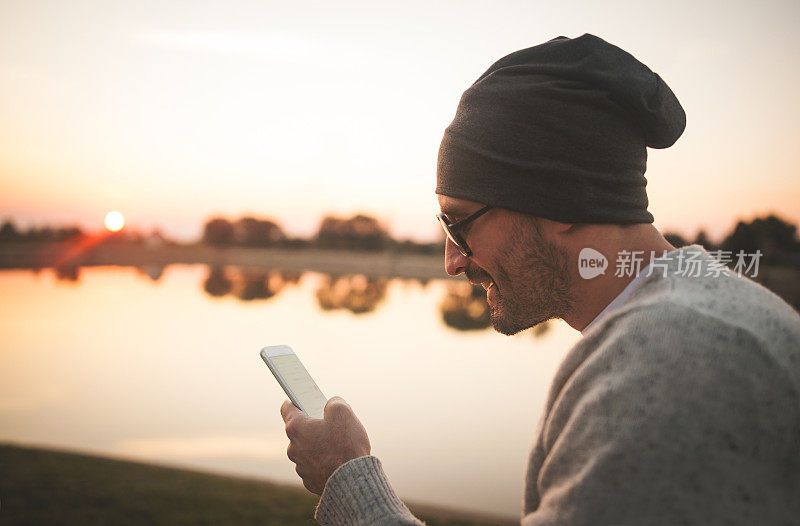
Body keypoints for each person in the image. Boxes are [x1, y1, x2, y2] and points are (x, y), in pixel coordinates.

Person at [279, 33, 800, 525]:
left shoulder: (662, 369)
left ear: (561, 200)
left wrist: (346, 478)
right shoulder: (708, 313)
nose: (452, 262)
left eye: (459, 224)